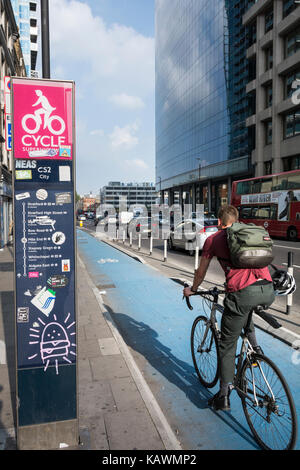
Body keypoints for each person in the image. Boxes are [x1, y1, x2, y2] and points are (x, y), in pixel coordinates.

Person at [183, 205, 275, 411]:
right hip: (267, 289)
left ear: (219, 222)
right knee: (244, 313)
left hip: (242, 293)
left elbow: (201, 271)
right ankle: (256, 352)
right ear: (237, 219)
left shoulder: (213, 239)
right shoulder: (251, 232)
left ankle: (223, 396)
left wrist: (193, 289)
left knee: (226, 344)